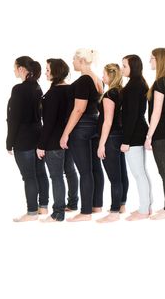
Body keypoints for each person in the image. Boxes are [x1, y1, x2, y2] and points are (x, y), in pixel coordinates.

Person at [60, 48, 104, 222]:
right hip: (94, 125)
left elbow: (79, 109)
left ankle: (85, 212)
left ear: (82, 60)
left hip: (82, 127)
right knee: (94, 168)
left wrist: (65, 133)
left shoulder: (85, 80)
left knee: (85, 171)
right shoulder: (98, 79)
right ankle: (96, 205)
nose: (72, 62)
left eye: (74, 59)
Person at [8, 57, 49, 222]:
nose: (13, 70)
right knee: (40, 173)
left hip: (23, 139)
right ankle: (43, 208)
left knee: (29, 177)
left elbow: (14, 119)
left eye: (14, 67)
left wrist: (9, 142)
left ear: (21, 69)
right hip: (37, 135)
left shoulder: (19, 89)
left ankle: (31, 212)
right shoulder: (37, 87)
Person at [37, 58, 79, 222]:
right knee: (70, 171)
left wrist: (41, 145)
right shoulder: (70, 89)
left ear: (56, 72)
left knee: (56, 176)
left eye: (48, 70)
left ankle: (58, 213)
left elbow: (49, 123)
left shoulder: (54, 93)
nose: (46, 72)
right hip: (69, 138)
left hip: (54, 141)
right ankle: (73, 203)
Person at [145, 48, 165, 220]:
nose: (150, 61)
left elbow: (156, 113)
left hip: (161, 133)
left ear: (159, 60)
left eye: (152, 58)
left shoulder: (159, 83)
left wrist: (148, 136)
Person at [120, 54, 153, 221]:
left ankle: (144, 209)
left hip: (134, 134)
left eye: (124, 66)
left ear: (133, 67)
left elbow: (131, 115)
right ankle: (145, 206)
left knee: (139, 173)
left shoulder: (134, 85)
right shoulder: (137, 83)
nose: (122, 69)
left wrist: (126, 141)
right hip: (137, 132)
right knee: (141, 172)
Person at [96, 63, 129, 223]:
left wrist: (101, 144)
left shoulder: (110, 95)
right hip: (120, 136)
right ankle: (121, 205)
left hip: (110, 138)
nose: (102, 77)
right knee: (122, 174)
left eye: (104, 74)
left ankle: (114, 212)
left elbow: (107, 122)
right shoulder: (122, 92)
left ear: (111, 75)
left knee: (114, 178)